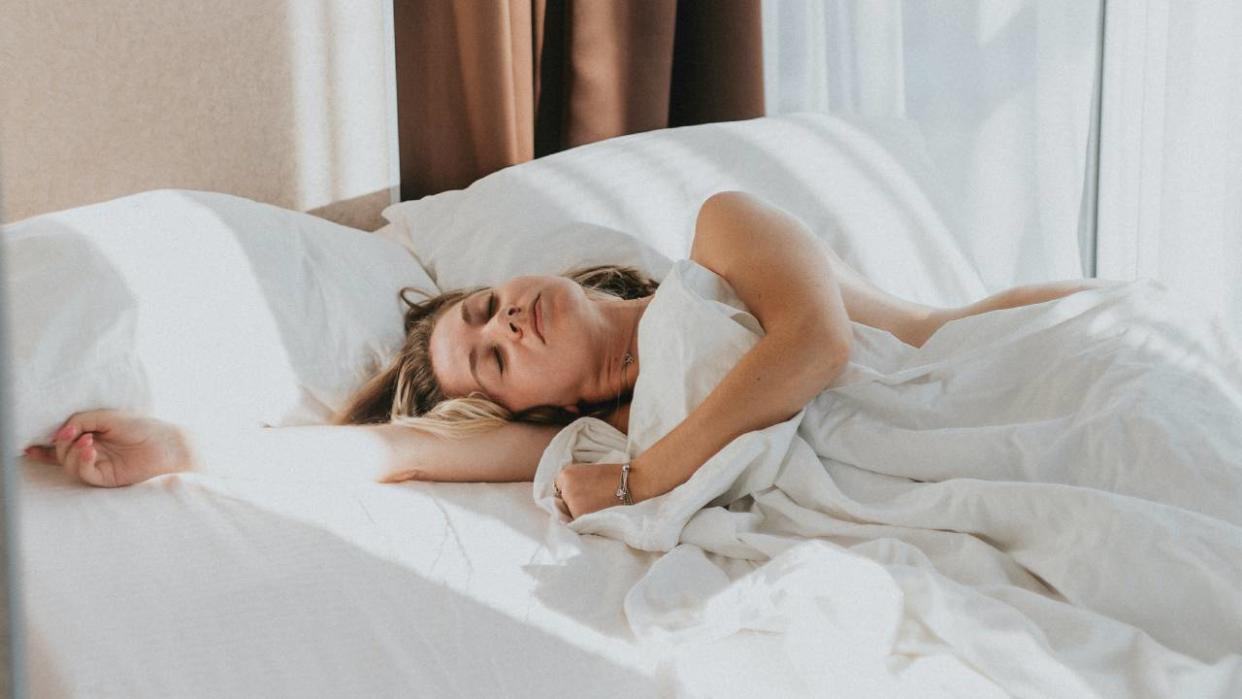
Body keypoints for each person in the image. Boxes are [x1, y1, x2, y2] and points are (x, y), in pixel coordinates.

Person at [24, 192, 1110, 519]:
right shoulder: (600, 436)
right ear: (525, 411)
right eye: (492, 360)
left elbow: (819, 345)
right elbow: (389, 454)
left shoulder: (720, 235)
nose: (506, 326)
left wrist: (649, 478)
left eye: (490, 308)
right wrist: (178, 443)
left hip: (1026, 366)